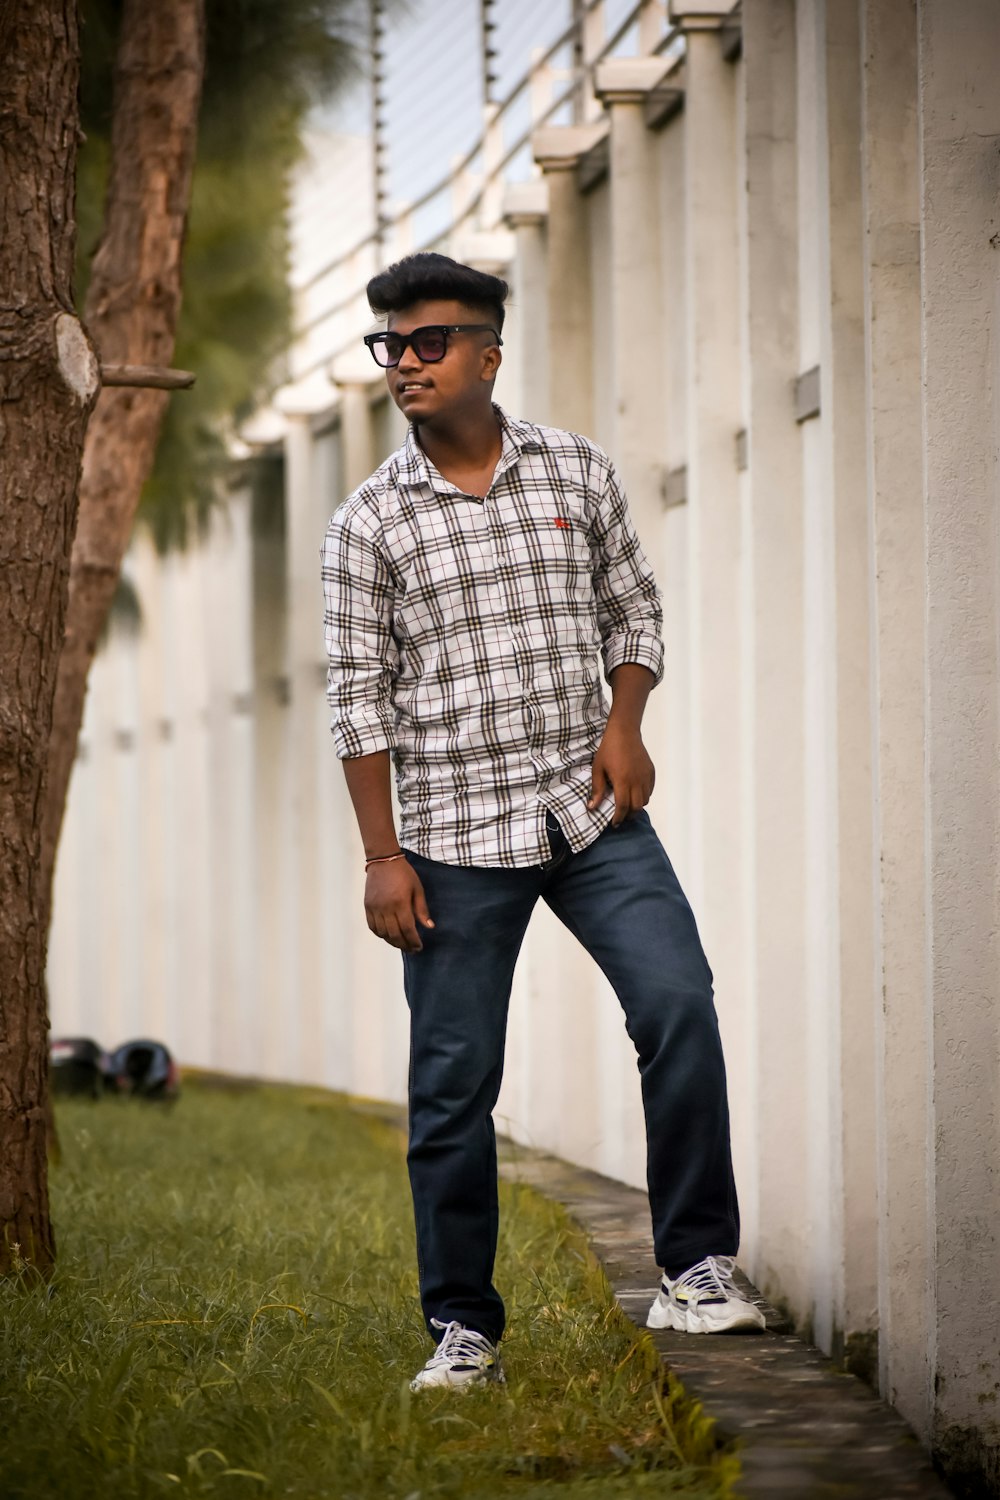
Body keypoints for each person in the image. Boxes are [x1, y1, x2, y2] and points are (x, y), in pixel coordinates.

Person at [320, 251, 764, 1393]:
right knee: (452, 1086)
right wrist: (382, 856)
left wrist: (627, 725)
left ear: (486, 353)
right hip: (453, 840)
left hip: (592, 810)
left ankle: (696, 1270)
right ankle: (462, 1330)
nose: (404, 366)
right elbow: (356, 697)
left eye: (426, 344)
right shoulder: (369, 522)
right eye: (389, 348)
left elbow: (633, 608)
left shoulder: (578, 470)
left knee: (677, 1003)